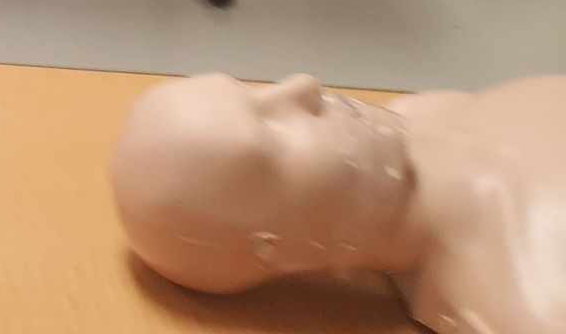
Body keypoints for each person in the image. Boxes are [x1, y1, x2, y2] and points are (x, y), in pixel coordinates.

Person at [111, 71, 566, 334]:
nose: (302, 86)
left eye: (252, 92)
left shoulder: (425, 112)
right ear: (270, 247)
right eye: (270, 139)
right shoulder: (531, 299)